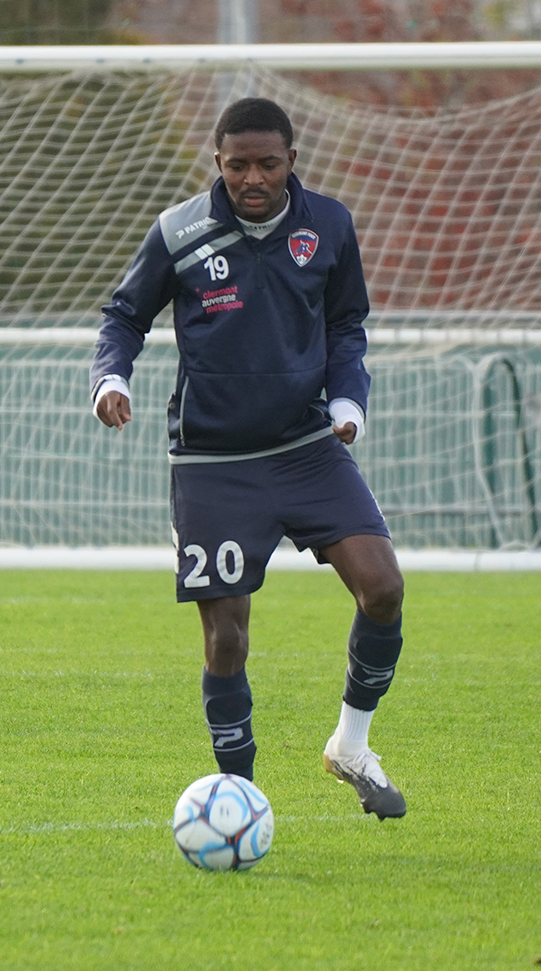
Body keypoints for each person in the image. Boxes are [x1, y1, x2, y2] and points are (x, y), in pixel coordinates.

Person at [91, 97, 407, 820]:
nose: (253, 178)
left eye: (268, 163)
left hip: (306, 447)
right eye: (238, 165)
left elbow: (346, 324)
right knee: (226, 635)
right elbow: (124, 316)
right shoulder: (179, 232)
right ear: (218, 163)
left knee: (383, 588)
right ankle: (241, 797)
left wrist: (349, 401)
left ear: (292, 161)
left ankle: (351, 746)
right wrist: (112, 378)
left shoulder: (329, 225)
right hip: (212, 463)